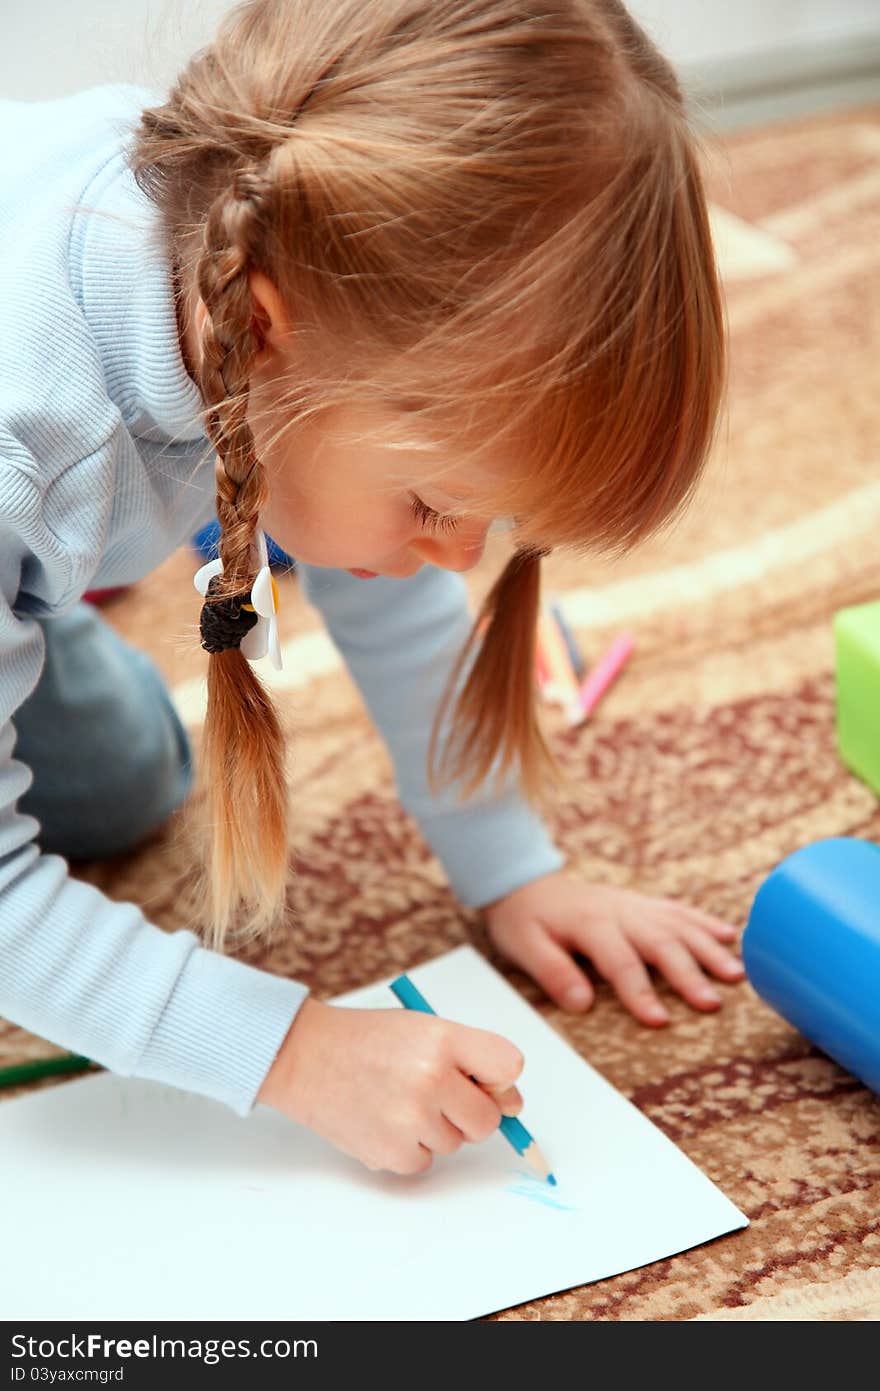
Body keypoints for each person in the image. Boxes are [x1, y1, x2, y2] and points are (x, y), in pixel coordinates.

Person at [0, 0, 744, 1178]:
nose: (458, 554)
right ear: (260, 329)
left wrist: (512, 867)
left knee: (131, 780)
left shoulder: (257, 254)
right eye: (434, 504)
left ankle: (47, 601)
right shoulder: (23, 448)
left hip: (51, 519)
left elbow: (379, 580)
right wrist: (294, 1052)